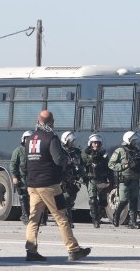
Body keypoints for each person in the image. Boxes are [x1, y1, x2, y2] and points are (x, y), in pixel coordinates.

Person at [23, 110, 91, 262]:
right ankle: (73, 250)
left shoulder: (30, 138)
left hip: (33, 185)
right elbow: (58, 160)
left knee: (33, 219)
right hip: (50, 186)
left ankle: (31, 250)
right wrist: (68, 160)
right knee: (61, 217)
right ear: (52, 122)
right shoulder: (51, 137)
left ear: (38, 121)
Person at [108, 131, 140, 229]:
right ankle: (116, 214)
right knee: (124, 200)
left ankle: (133, 222)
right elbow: (111, 164)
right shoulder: (120, 151)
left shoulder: (137, 152)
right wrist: (124, 165)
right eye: (133, 140)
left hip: (135, 180)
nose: (135, 142)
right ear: (128, 140)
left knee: (134, 201)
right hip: (124, 181)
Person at [81, 134, 113, 228]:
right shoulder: (85, 155)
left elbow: (108, 168)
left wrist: (112, 180)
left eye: (98, 143)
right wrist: (84, 177)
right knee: (93, 201)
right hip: (91, 180)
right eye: (94, 143)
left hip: (102, 179)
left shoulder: (104, 155)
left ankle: (98, 216)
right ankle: (95, 220)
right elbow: (81, 167)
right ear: (90, 143)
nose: (96, 145)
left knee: (103, 202)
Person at [60, 131, 87, 228]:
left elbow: (81, 166)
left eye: (73, 140)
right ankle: (69, 221)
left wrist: (85, 176)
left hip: (74, 179)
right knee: (66, 199)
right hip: (63, 179)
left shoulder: (77, 152)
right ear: (65, 140)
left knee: (71, 201)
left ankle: (63, 217)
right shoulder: (60, 151)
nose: (72, 142)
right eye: (71, 140)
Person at [10, 130, 33, 224]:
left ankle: (32, 216)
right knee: (23, 196)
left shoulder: (35, 150)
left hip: (33, 177)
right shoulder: (18, 151)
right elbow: (13, 164)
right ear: (23, 139)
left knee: (34, 197)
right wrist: (14, 177)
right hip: (23, 178)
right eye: (27, 138)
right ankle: (25, 216)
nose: (28, 140)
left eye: (30, 138)